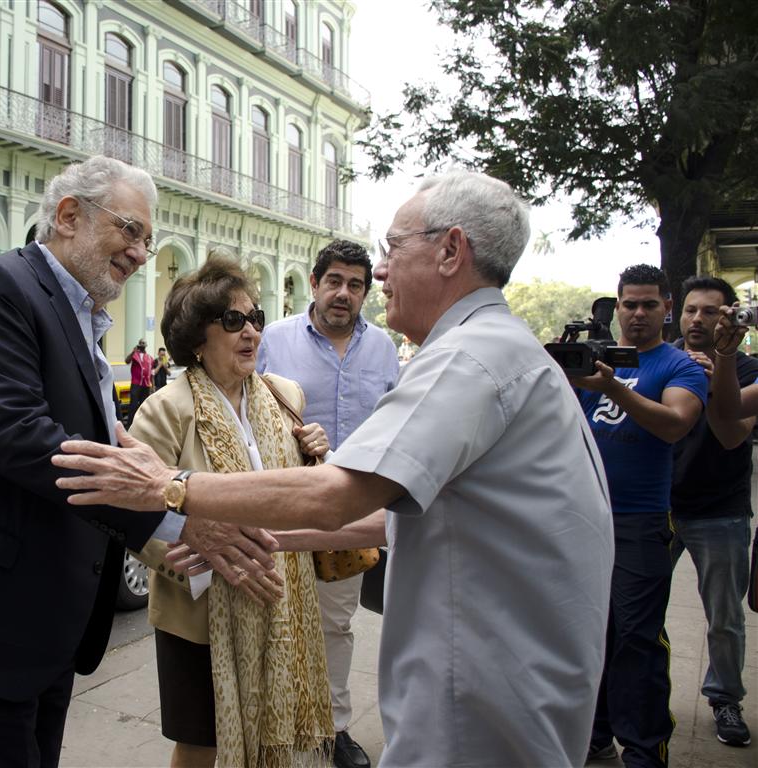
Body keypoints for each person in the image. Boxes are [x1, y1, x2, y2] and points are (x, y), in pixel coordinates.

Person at [54, 170, 616, 767]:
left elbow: (340, 496)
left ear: (451, 251)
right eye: (233, 321)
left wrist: (168, 487)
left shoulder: (469, 358)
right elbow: (389, 517)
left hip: (484, 688)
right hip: (495, 675)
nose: (380, 272)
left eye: (392, 248)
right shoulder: (488, 349)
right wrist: (251, 539)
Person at [0, 156, 279, 767]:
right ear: (69, 216)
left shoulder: (80, 316)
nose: (143, 253)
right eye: (132, 231)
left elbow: (96, 446)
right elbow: (26, 439)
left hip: (43, 624)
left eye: (147, 238)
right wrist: (177, 509)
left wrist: (159, 489)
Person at [131, 256, 333, 768]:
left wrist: (316, 455)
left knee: (275, 728)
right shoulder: (166, 409)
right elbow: (134, 508)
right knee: (202, 742)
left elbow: (297, 494)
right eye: (232, 320)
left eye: (256, 318)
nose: (250, 332)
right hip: (200, 612)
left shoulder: (284, 396)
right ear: (197, 336)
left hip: (279, 603)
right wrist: (207, 561)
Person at [256, 238, 398, 768]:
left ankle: (333, 730)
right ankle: (275, 722)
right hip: (284, 504)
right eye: (334, 281)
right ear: (314, 283)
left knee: (335, 626)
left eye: (355, 285)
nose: (343, 293)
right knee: (277, 618)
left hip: (351, 515)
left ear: (365, 292)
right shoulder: (274, 338)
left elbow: (392, 424)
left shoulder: (383, 347)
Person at [572, 264, 707, 766]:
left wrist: (616, 389)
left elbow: (674, 424)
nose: (638, 313)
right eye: (630, 303)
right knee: (591, 630)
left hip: (642, 521)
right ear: (617, 305)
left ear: (667, 308)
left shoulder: (679, 366)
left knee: (636, 636)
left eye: (650, 304)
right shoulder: (594, 360)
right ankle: (597, 729)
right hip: (586, 517)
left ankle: (646, 748)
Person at [669, 285, 758, 748]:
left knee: (724, 618)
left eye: (710, 311)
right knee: (634, 611)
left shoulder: (747, 369)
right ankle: (640, 695)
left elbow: (731, 434)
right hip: (659, 508)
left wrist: (715, 372)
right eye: (690, 310)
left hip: (720, 511)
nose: (699, 319)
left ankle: (724, 698)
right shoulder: (662, 360)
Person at [124, 339, 153, 425]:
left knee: (144, 406)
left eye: (144, 343)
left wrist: (151, 385)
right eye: (141, 343)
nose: (142, 344)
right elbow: (127, 361)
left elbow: (151, 372)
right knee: (133, 405)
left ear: (146, 345)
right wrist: (133, 351)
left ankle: (142, 424)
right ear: (138, 344)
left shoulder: (149, 357)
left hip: (146, 385)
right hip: (136, 384)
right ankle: (130, 425)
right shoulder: (134, 355)